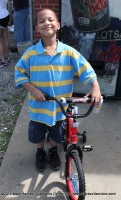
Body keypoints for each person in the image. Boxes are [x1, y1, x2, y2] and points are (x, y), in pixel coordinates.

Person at [14, 9, 101, 172]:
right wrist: (32, 89)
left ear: (58, 25)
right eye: (42, 21)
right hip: (38, 107)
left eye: (50, 19)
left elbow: (85, 69)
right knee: (38, 134)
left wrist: (94, 86)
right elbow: (19, 72)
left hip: (59, 108)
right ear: (37, 29)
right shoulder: (30, 54)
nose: (47, 23)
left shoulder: (68, 52)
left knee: (56, 133)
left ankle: (53, 151)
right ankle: (40, 151)